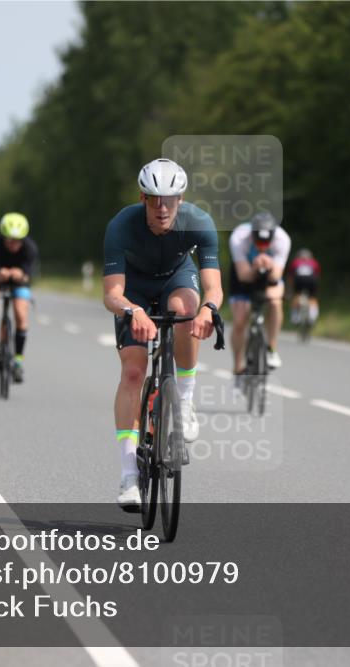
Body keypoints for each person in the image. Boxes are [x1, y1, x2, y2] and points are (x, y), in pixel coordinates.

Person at [103, 158, 222, 511]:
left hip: (176, 278)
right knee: (133, 372)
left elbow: (214, 288)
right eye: (154, 199)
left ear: (180, 199)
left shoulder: (199, 223)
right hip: (134, 290)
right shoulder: (121, 226)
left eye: (169, 199)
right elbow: (111, 294)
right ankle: (129, 475)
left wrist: (208, 310)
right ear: (143, 197)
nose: (162, 207)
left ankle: (184, 399)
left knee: (185, 310)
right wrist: (133, 311)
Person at [229, 212, 291, 378]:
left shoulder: (282, 239)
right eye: (258, 242)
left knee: (275, 302)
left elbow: (276, 276)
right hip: (245, 274)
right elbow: (243, 275)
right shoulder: (239, 237)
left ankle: (271, 348)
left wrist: (269, 266)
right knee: (240, 321)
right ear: (252, 236)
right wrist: (255, 267)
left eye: (266, 243)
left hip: (269, 275)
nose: (262, 247)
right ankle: (238, 367)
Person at [0, 212, 38, 383]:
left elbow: (28, 276)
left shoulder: (30, 248)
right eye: (9, 240)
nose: (13, 244)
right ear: (3, 237)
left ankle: (18, 360)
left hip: (19, 281)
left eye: (17, 240)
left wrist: (20, 275)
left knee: (20, 312)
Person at [288, 248, 321, 324]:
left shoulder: (295, 262)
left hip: (299, 279)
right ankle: (312, 316)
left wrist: (290, 288)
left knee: (297, 295)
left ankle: (295, 317)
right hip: (311, 280)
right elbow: (317, 275)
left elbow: (291, 277)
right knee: (312, 298)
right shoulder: (314, 262)